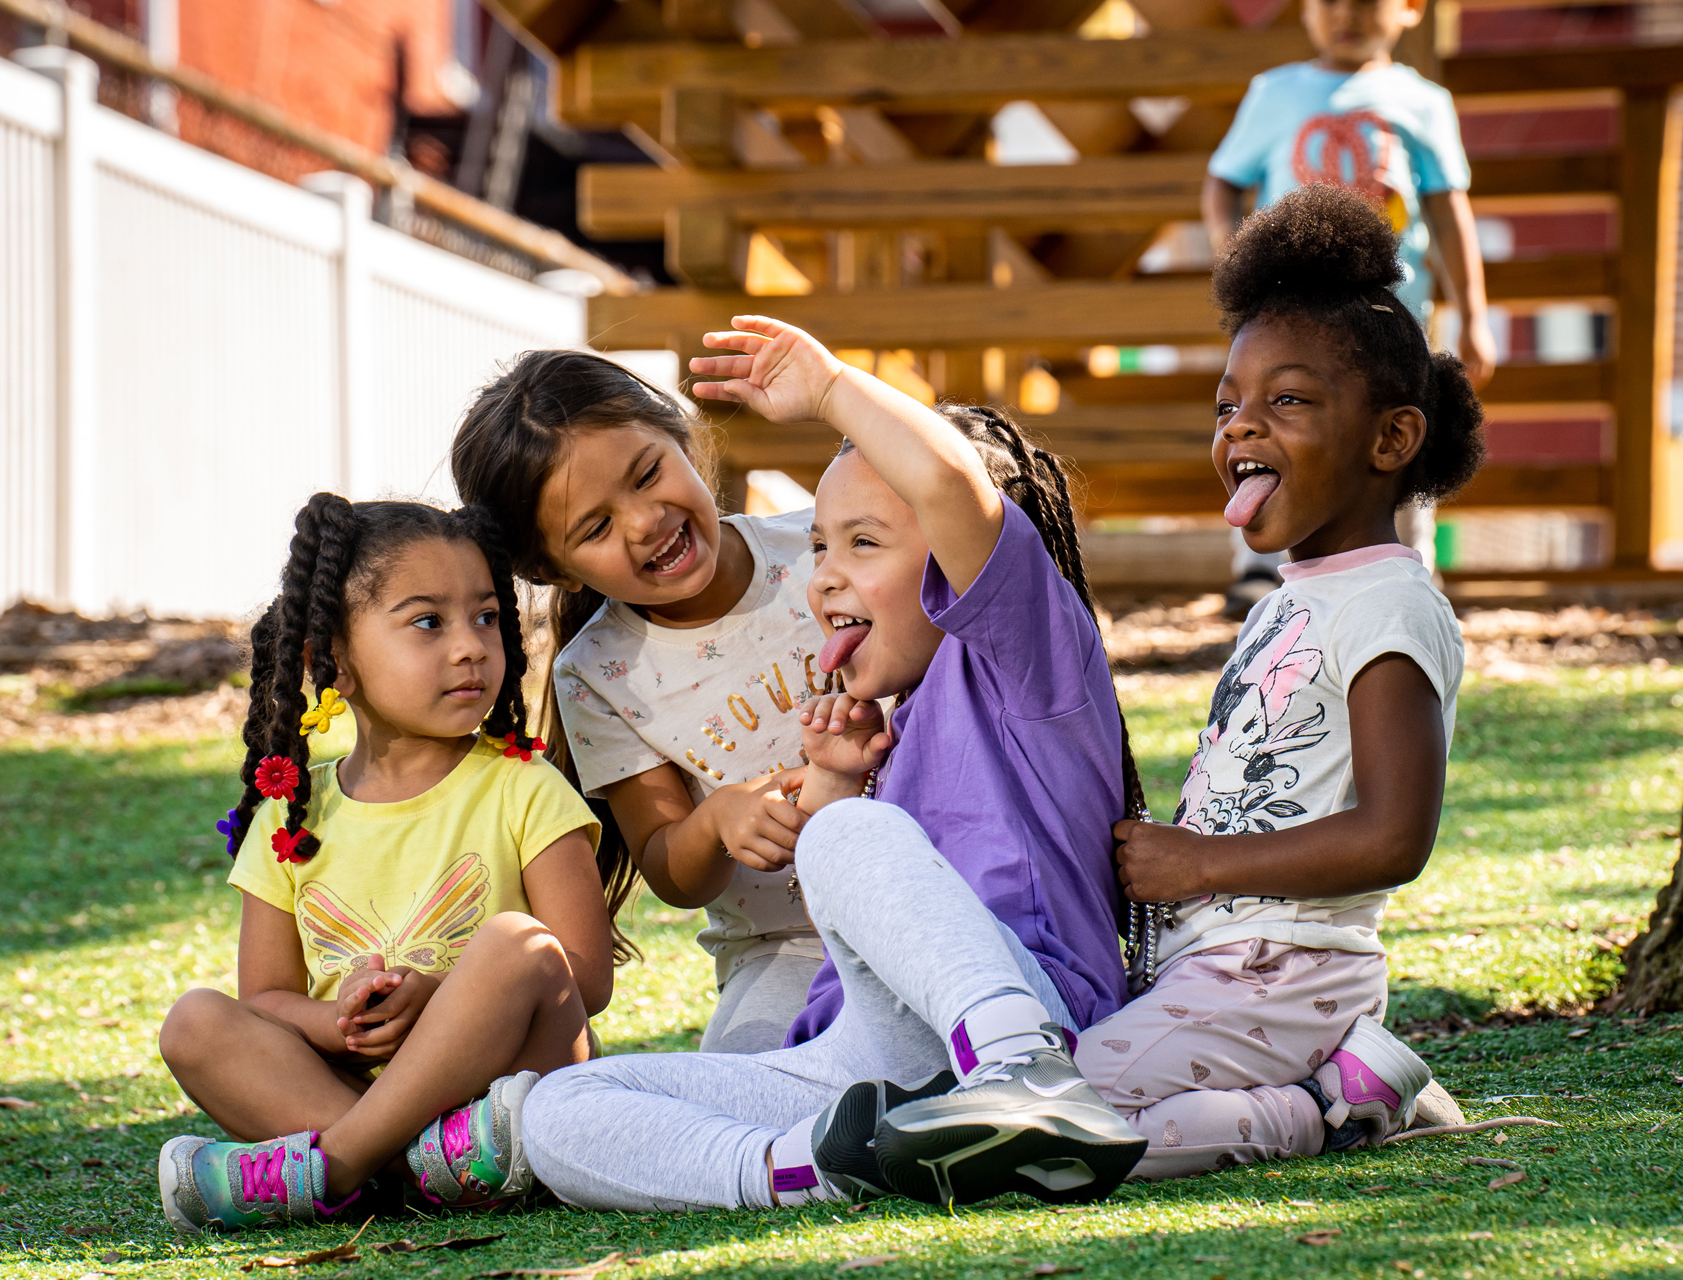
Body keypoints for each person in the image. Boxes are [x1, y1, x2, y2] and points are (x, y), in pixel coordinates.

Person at [515, 316, 1147, 1211]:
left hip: (1024, 998)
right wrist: (833, 783)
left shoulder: (1023, 658)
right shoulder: (887, 718)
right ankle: (821, 1168)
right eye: (818, 547)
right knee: (562, 1110)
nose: (821, 579)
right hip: (871, 1047)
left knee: (847, 838)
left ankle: (1023, 1073)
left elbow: (949, 484)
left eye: (862, 543)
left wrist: (825, 387)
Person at [1075, 184, 1481, 1178]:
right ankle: (1366, 1079)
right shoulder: (1289, 597)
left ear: (1390, 440)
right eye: (1230, 405)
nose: (1241, 429)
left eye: (1286, 401)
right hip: (1216, 968)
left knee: (1053, 1123)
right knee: (1029, 1089)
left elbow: (1396, 835)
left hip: (1286, 972)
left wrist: (1195, 866)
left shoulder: (1389, 605)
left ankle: (1320, 1106)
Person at [156, 496, 606, 1231]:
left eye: (487, 616)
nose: (470, 647)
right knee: (195, 1024)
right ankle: (416, 1170)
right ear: (334, 663)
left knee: (515, 944)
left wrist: (435, 995)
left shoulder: (524, 787)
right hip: (355, 1085)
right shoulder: (294, 815)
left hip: (512, 1090)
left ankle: (333, 1169)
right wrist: (339, 1023)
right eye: (428, 622)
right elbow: (266, 999)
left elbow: (583, 981)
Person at [451, 352, 826, 1055]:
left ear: (683, 437)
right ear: (551, 570)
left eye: (648, 473)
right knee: (737, 1098)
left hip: (930, 888)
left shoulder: (826, 544)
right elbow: (666, 866)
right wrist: (715, 819)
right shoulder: (598, 674)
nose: (644, 522)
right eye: (594, 528)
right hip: (787, 950)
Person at [1202, 0, 1494, 616]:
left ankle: (1409, 565)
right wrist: (1238, 263)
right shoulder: (1275, 93)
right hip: (1294, 317)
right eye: (1328, 1)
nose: (1346, 15)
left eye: (1366, 2)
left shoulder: (1423, 102)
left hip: (1396, 315)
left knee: (1401, 428)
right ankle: (1259, 567)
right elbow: (1223, 180)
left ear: (1410, 9)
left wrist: (1476, 313)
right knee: (1275, 424)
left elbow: (1447, 210)